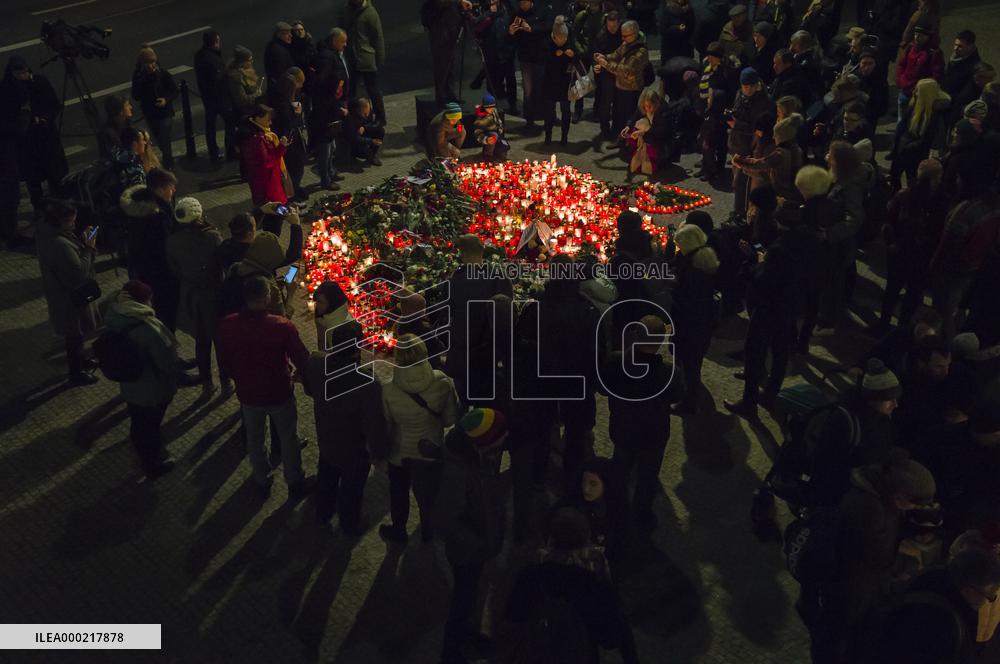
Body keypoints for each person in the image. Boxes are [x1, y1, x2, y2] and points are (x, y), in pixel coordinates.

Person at [808, 450, 937, 663]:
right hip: (849, 588)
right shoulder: (867, 511)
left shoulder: (879, 495)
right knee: (839, 636)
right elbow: (873, 556)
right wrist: (903, 562)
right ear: (900, 495)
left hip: (861, 585)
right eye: (913, 504)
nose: (913, 510)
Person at [217, 275, 312, 498]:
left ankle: (261, 478)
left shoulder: (227, 325)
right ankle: (294, 480)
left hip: (248, 395)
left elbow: (224, 360)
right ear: (267, 297)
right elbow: (301, 357)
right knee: (288, 438)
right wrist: (299, 374)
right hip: (278, 391)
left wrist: (238, 377)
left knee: (255, 437)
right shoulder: (281, 326)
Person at [505, 507, 639, 664]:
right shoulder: (593, 587)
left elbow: (512, 621)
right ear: (584, 544)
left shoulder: (530, 577)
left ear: (551, 541)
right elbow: (611, 639)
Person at [303, 293, 387, 533]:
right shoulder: (368, 383)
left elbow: (310, 389)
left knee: (327, 475)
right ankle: (350, 524)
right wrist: (379, 452)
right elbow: (374, 423)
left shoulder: (317, 363)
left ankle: (323, 513)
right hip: (353, 449)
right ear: (357, 347)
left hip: (326, 435)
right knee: (351, 488)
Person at [725, 200, 818, 418]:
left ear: (778, 222)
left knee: (754, 352)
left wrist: (752, 261)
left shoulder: (779, 249)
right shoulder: (808, 239)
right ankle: (770, 394)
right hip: (792, 304)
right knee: (780, 352)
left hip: (769, 307)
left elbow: (764, 279)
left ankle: (749, 402)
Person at [434, 407, 508, 664]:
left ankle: (464, 634)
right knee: (462, 601)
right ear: (485, 440)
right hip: (466, 552)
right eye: (500, 435)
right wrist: (477, 545)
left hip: (473, 544)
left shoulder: (473, 456)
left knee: (468, 596)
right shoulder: (459, 471)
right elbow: (446, 520)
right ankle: (451, 653)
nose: (504, 438)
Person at [599, 314, 683, 529]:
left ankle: (615, 511)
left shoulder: (616, 361)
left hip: (622, 428)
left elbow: (602, 388)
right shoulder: (669, 373)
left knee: (620, 468)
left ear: (635, 336)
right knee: (647, 477)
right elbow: (676, 397)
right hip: (653, 433)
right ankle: (642, 515)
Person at [379, 333, 460, 543]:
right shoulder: (443, 382)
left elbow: (386, 424)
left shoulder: (387, 389)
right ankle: (428, 532)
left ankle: (399, 530)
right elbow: (450, 419)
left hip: (400, 453)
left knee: (398, 494)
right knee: (429, 496)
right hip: (430, 449)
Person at [104, 280, 179, 478]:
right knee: (151, 426)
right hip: (152, 390)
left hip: (130, 386)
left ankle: (141, 450)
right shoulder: (150, 328)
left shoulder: (114, 317)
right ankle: (153, 464)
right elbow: (166, 362)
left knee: (138, 422)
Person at [35, 200, 100, 385]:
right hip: (69, 298)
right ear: (60, 222)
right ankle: (76, 372)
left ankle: (80, 361)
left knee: (76, 332)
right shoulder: (60, 244)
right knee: (75, 334)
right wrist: (89, 247)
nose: (74, 224)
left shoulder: (45, 232)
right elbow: (79, 273)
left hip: (60, 293)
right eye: (71, 221)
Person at [880, 159, 950, 330]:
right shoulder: (943, 201)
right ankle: (902, 328)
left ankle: (885, 324)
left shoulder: (906, 195)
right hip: (919, 257)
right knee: (911, 294)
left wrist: (891, 244)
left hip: (903, 253)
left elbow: (889, 220)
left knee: (894, 290)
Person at [929, 177, 1000, 340]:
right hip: (975, 266)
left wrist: (934, 266)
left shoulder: (967, 210)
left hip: (954, 267)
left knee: (942, 312)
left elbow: (949, 241)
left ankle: (945, 346)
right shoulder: (994, 209)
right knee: (957, 307)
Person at [165, 197, 224, 390]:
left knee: (202, 340)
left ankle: (206, 380)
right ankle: (226, 379)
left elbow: (174, 269)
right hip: (215, 294)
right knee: (221, 340)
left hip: (191, 296)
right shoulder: (212, 236)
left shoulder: (172, 241)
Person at [1, 55, 68, 218]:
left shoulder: (39, 82)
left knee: (55, 175)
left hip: (46, 138)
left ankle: (60, 206)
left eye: (25, 72)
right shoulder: (7, 91)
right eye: (19, 74)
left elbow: (54, 104)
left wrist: (46, 117)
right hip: (28, 143)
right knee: (34, 180)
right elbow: (9, 118)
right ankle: (40, 210)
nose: (24, 76)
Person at [120, 168, 181, 331]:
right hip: (160, 276)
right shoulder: (158, 217)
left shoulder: (137, 207)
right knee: (166, 315)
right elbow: (164, 249)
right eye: (170, 187)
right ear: (160, 189)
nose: (174, 191)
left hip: (142, 272)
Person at [792, 165, 843, 351]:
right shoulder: (832, 205)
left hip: (810, 263)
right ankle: (803, 342)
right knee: (814, 303)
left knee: (806, 300)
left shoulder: (808, 212)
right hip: (827, 261)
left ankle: (796, 340)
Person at [727, 67, 773, 221]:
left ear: (756, 85)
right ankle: (739, 211)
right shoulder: (740, 94)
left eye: (750, 86)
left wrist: (736, 124)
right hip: (737, 144)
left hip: (749, 147)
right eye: (744, 86)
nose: (747, 89)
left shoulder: (763, 103)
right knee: (737, 181)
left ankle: (741, 213)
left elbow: (757, 128)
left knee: (741, 182)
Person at [890, 78, 951, 190]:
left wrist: (907, 148)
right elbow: (903, 125)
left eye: (918, 90)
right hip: (903, 148)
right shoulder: (915, 104)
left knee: (913, 180)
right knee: (894, 176)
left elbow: (929, 139)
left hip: (914, 152)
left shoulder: (935, 115)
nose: (914, 92)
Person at [310, 28, 350, 192]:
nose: (345, 45)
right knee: (325, 147)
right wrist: (337, 105)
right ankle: (325, 179)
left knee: (331, 145)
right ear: (334, 41)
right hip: (326, 111)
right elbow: (325, 87)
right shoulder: (327, 59)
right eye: (343, 41)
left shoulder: (332, 55)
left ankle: (331, 171)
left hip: (332, 107)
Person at [732, 112, 802, 202]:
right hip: (790, 191)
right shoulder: (796, 149)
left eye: (776, 135)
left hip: (780, 192)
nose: (773, 137)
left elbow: (760, 164)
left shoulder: (780, 154)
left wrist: (740, 161)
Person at [594, 20, 648, 136]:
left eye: (625, 36)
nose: (622, 39)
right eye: (622, 35)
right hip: (621, 86)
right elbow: (617, 54)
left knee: (628, 119)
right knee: (617, 116)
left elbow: (625, 70)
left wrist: (606, 64)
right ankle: (618, 138)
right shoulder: (627, 43)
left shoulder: (640, 52)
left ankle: (627, 143)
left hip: (632, 89)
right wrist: (605, 57)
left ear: (634, 33)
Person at [340, 0, 386, 126]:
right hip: (351, 58)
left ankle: (380, 118)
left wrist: (379, 59)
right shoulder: (346, 10)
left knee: (373, 90)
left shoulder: (370, 13)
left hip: (366, 58)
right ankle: (354, 117)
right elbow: (341, 29)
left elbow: (378, 37)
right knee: (351, 90)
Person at [509, 0, 553, 131]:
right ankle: (529, 121)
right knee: (528, 91)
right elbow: (513, 38)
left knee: (540, 89)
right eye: (520, 3)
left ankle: (544, 118)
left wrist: (531, 29)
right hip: (525, 58)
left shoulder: (543, 10)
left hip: (540, 57)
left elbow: (548, 27)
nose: (522, 5)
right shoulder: (517, 14)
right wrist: (511, 32)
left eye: (524, 3)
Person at [131, 47, 178, 170]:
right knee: (158, 138)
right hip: (151, 113)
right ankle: (168, 160)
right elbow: (135, 95)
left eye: (153, 62)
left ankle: (169, 163)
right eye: (148, 63)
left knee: (164, 138)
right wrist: (142, 81)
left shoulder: (162, 73)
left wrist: (165, 99)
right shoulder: (138, 76)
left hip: (165, 113)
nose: (151, 66)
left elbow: (174, 90)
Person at [268, 72, 307, 202]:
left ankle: (293, 193)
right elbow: (289, 125)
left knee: (293, 171)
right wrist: (297, 114)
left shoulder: (278, 99)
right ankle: (291, 198)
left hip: (289, 141)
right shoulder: (283, 104)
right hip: (290, 143)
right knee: (294, 170)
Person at [895, 24, 944, 126]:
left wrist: (920, 88)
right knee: (901, 122)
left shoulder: (933, 53)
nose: (917, 37)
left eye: (921, 35)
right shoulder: (910, 47)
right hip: (904, 90)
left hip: (918, 94)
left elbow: (936, 75)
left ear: (928, 37)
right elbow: (901, 64)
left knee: (915, 122)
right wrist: (900, 81)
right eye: (916, 34)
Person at [240, 104, 288, 206]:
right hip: (266, 183)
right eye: (268, 120)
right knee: (273, 210)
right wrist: (281, 147)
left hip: (265, 180)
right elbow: (267, 162)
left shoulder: (259, 135)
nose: (270, 123)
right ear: (258, 118)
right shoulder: (258, 139)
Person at [474, 0, 518, 115]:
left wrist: (511, 33)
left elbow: (513, 20)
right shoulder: (484, 8)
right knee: (493, 81)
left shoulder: (507, 7)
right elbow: (476, 25)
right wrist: (489, 13)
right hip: (491, 50)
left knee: (510, 79)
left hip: (507, 48)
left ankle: (512, 105)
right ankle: (492, 108)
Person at [622, 87, 673, 179]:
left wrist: (643, 132)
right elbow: (634, 117)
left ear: (656, 104)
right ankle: (638, 155)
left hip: (659, 138)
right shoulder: (643, 108)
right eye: (646, 106)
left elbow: (662, 131)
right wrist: (628, 126)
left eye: (650, 106)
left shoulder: (664, 112)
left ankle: (656, 159)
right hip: (648, 133)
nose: (648, 109)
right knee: (632, 132)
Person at [542, 16, 577, 147]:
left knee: (566, 111)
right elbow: (542, 59)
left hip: (565, 83)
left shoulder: (570, 44)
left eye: (565, 38)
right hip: (550, 83)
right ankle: (548, 136)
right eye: (561, 38)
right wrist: (553, 55)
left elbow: (578, 58)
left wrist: (573, 55)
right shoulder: (547, 44)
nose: (564, 40)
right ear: (554, 37)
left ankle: (564, 137)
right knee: (549, 112)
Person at [194, 30, 227, 162]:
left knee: (210, 125)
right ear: (215, 42)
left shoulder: (200, 55)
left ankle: (213, 151)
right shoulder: (212, 59)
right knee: (230, 121)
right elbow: (218, 79)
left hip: (207, 97)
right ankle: (229, 149)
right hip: (217, 98)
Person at [223, 45, 262, 152]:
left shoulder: (247, 71)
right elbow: (241, 100)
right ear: (242, 62)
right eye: (249, 60)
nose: (252, 62)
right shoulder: (236, 78)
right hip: (242, 113)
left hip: (250, 109)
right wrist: (257, 94)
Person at [592, 11, 622, 136]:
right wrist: (597, 64)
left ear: (619, 23)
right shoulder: (602, 35)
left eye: (614, 26)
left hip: (620, 70)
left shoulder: (623, 33)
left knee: (619, 101)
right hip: (607, 72)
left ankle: (618, 127)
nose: (612, 29)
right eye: (609, 26)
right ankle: (605, 128)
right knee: (606, 100)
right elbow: (596, 53)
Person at [345, 97, 385, 166]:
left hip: (363, 133)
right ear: (357, 110)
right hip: (355, 139)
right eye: (364, 114)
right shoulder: (350, 118)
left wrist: (364, 127)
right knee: (364, 152)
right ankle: (358, 155)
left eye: (368, 113)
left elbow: (374, 123)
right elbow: (353, 138)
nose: (366, 116)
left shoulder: (368, 110)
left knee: (380, 131)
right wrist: (371, 141)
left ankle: (372, 156)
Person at [472, 94, 508, 160]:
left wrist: (500, 128)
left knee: (503, 154)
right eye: (488, 108)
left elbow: (498, 120)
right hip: (487, 135)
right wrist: (486, 139)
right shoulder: (480, 118)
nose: (491, 109)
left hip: (497, 133)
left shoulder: (494, 111)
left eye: (493, 107)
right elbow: (477, 132)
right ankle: (488, 155)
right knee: (493, 137)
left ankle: (496, 151)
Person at [98, 95, 133, 161]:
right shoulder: (108, 132)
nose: (131, 107)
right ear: (120, 111)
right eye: (127, 105)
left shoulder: (126, 122)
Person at [264, 22, 295, 90]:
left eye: (290, 33)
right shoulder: (277, 50)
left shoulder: (276, 46)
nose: (291, 35)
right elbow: (281, 74)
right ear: (278, 34)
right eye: (287, 33)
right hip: (282, 90)